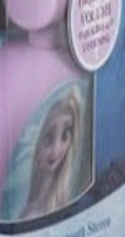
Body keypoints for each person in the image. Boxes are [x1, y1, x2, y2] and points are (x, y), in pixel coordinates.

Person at [21, 86, 83, 220]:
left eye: (65, 135)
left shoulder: (67, 199)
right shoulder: (31, 210)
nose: (56, 150)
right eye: (48, 138)